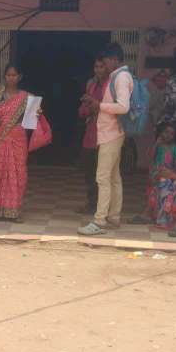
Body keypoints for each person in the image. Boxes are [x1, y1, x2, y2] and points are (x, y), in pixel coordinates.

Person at [78, 44, 133, 236]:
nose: (104, 65)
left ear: (114, 60)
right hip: (112, 132)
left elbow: (123, 107)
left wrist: (99, 105)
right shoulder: (119, 76)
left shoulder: (121, 77)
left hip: (111, 133)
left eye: (106, 61)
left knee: (102, 177)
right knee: (114, 178)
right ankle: (113, 217)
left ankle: (99, 221)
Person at [0, 64, 29, 222]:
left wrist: (37, 114)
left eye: (14, 75)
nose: (11, 78)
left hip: (18, 137)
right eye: (8, 75)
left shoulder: (25, 97)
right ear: (4, 76)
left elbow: (30, 120)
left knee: (18, 173)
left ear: (20, 77)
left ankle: (15, 210)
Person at [76, 54, 109, 215]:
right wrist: (89, 105)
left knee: (103, 174)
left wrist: (93, 104)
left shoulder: (111, 86)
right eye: (96, 67)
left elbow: (112, 108)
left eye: (101, 66)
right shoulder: (92, 85)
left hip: (106, 134)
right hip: (91, 133)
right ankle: (91, 203)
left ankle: (103, 207)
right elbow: (82, 111)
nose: (98, 70)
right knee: (89, 171)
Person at [132, 121, 176, 224]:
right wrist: (156, 144)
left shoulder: (175, 148)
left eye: (172, 133)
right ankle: (150, 214)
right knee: (153, 192)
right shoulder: (158, 146)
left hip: (168, 174)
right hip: (156, 173)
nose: (168, 135)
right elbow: (150, 156)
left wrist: (173, 174)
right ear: (160, 132)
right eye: (166, 132)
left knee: (161, 192)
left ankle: (153, 214)